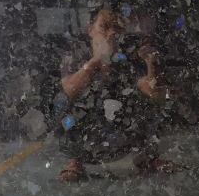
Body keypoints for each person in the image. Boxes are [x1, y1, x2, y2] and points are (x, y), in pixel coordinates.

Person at [56, 10, 173, 182]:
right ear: (90, 29)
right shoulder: (77, 52)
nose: (111, 33)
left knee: (153, 99)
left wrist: (151, 64)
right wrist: (96, 60)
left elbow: (155, 95)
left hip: (123, 134)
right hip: (87, 138)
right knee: (61, 100)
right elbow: (68, 90)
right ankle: (75, 160)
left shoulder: (129, 54)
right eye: (104, 27)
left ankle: (147, 157)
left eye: (116, 28)